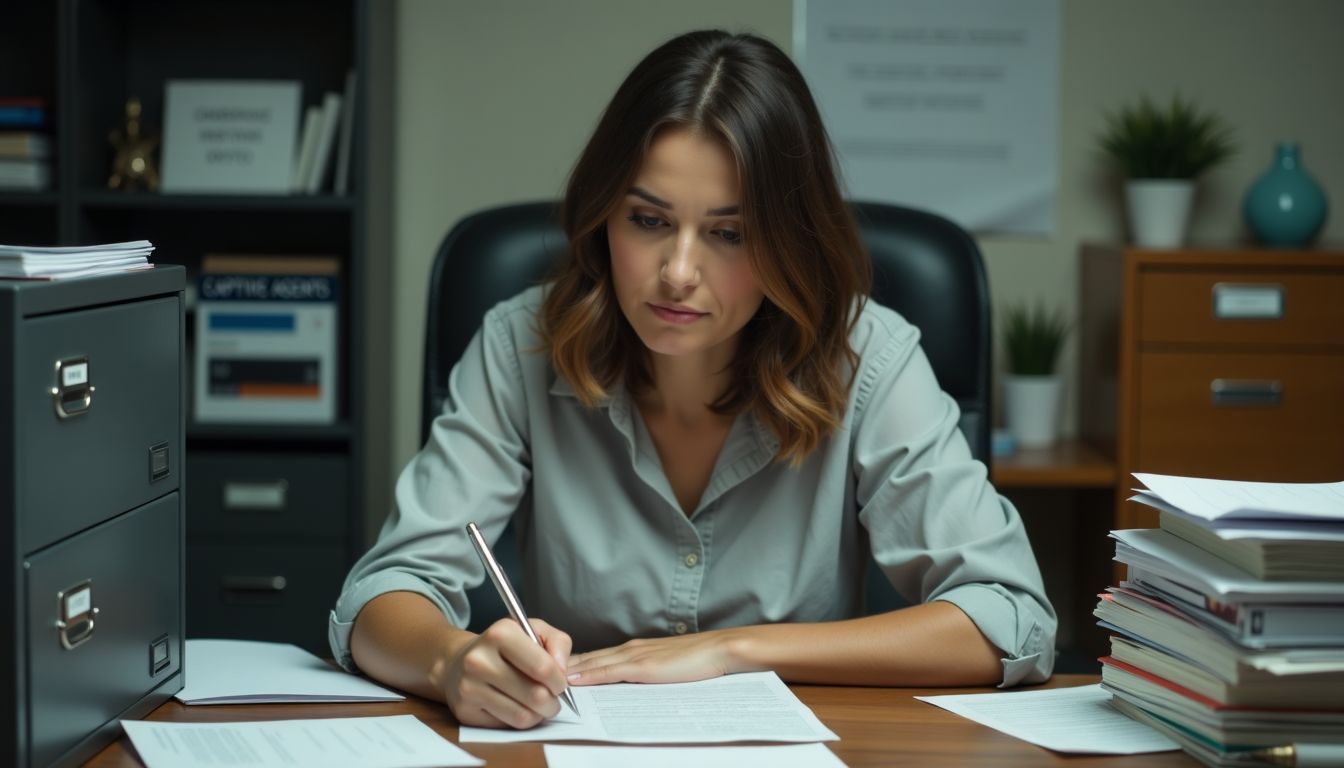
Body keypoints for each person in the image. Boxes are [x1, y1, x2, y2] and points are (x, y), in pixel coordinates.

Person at [330, 29, 1056, 730]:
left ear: (788, 240)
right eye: (648, 220)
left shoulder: (867, 356)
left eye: (730, 233)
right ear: (602, 216)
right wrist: (453, 661)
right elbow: (379, 598)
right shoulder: (520, 345)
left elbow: (1010, 618)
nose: (678, 272)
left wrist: (730, 651)